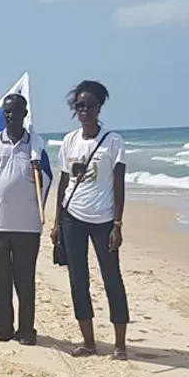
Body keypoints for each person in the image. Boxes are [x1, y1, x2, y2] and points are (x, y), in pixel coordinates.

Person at [50, 80, 130, 360]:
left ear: (99, 108)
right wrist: (57, 222)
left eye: (90, 106)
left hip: (104, 220)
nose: (85, 110)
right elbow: (63, 182)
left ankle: (120, 344)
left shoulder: (113, 141)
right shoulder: (69, 140)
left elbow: (119, 185)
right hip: (72, 218)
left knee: (112, 279)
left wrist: (117, 224)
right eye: (80, 106)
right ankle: (89, 341)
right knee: (77, 280)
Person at [0, 93, 43, 346]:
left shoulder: (36, 144)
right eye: (7, 112)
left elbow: (47, 180)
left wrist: (38, 163)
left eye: (16, 111)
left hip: (28, 227)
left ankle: (27, 330)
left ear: (25, 114)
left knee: (25, 281)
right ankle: (3, 327)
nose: (11, 116)